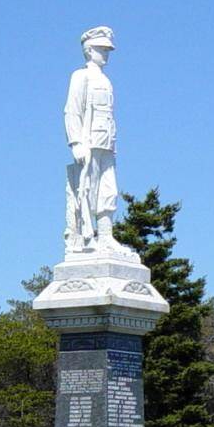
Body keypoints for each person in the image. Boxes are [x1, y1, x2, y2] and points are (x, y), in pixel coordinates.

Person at [63, 26, 132, 256]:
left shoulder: (106, 80)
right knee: (86, 190)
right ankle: (85, 237)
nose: (106, 54)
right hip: (89, 141)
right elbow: (72, 111)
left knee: (108, 189)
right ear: (89, 50)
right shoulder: (80, 76)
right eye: (102, 49)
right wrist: (76, 142)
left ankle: (106, 236)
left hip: (106, 142)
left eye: (107, 50)